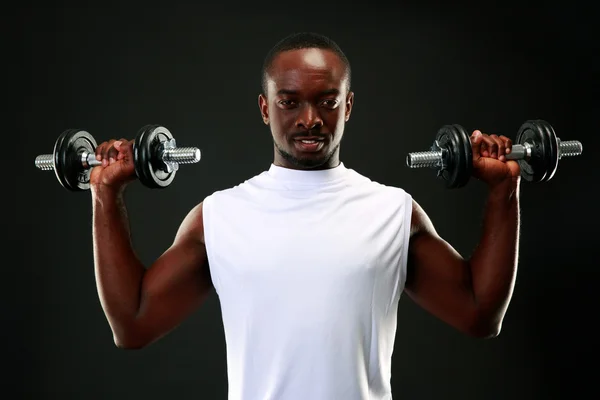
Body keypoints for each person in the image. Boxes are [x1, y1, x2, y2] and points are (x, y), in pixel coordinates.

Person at [89, 32, 521, 400]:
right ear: (265, 108)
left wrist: (504, 191)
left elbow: (480, 315)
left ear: (348, 106)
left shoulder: (391, 212)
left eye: (326, 102)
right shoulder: (221, 215)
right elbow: (133, 324)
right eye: (289, 102)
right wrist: (106, 195)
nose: (309, 120)